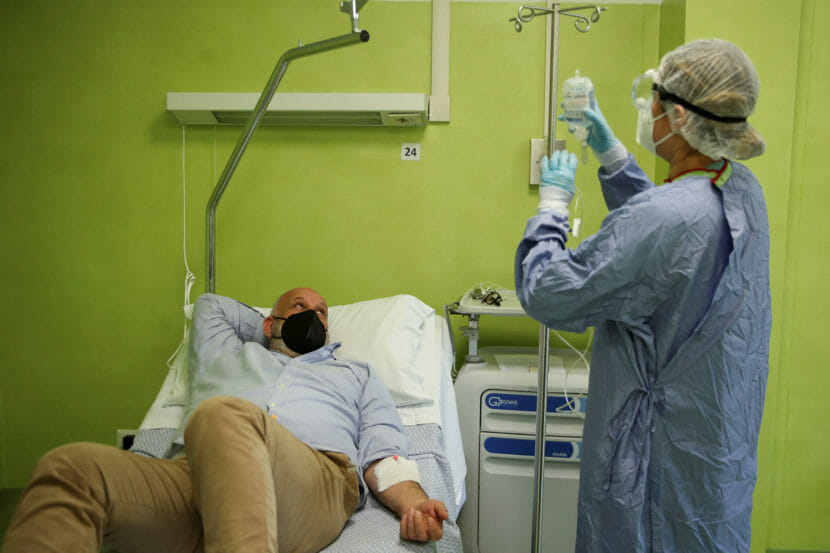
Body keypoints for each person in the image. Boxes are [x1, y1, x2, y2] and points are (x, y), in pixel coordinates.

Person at [515, 39, 770, 553]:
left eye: (650, 97)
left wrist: (552, 207)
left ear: (676, 115)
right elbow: (666, 246)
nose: (644, 108)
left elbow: (548, 293)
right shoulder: (740, 189)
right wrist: (612, 159)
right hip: (713, 447)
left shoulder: (667, 217)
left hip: (654, 454)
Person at [1, 287, 449, 553]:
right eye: (298, 307)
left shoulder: (355, 372)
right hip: (196, 479)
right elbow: (212, 303)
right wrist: (273, 327)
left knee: (225, 415)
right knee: (72, 467)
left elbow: (384, 450)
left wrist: (413, 503)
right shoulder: (225, 354)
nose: (311, 315)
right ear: (270, 321)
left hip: (312, 484)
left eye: (321, 313)